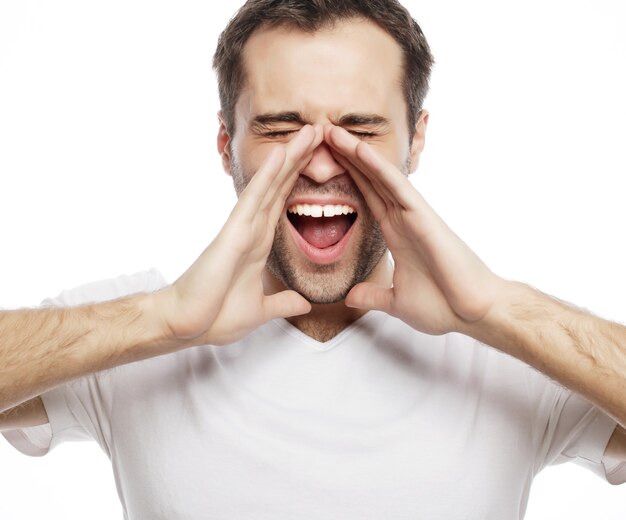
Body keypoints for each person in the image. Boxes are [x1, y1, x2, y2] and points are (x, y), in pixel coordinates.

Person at [1, 0, 625, 518]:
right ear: (226, 144)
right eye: (280, 129)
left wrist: (492, 309)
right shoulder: (138, 333)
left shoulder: (510, 346)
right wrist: (164, 321)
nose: (323, 164)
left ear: (418, 140)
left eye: (360, 129)